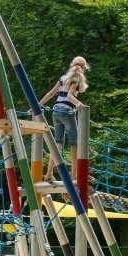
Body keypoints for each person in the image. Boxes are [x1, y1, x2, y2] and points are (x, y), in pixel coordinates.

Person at [37, 56, 90, 184]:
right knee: (74, 144)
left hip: (56, 111)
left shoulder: (63, 78)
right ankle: (74, 176)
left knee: (58, 143)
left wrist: (38, 105)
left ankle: (49, 174)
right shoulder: (75, 79)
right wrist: (79, 104)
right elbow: (69, 95)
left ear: (71, 64)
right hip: (66, 112)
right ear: (83, 68)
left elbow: (51, 93)